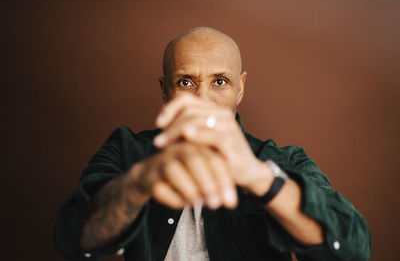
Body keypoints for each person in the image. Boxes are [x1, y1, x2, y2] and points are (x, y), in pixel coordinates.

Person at [53, 27, 371, 261]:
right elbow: (72, 238)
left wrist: (261, 179)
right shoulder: (127, 150)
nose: (203, 100)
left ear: (240, 89)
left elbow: (353, 250)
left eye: (219, 82)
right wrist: (140, 182)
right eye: (185, 82)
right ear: (164, 90)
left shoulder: (281, 161)